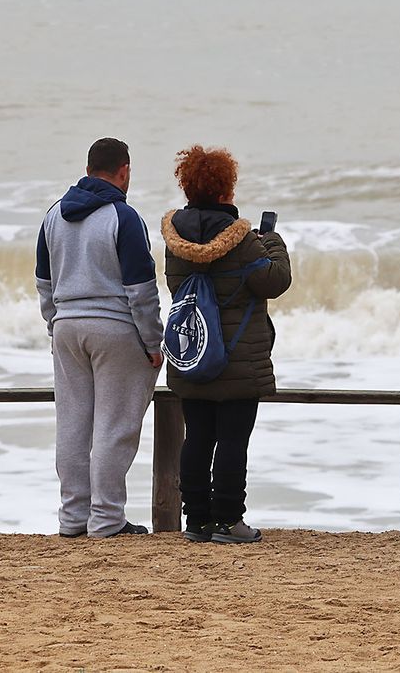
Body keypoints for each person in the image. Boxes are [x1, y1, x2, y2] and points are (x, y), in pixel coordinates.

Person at [161, 145, 291, 544]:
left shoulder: (175, 240)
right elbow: (276, 280)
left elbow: (176, 287)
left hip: (194, 351)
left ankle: (197, 521)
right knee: (233, 439)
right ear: (224, 192)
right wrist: (273, 242)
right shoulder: (244, 242)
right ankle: (229, 521)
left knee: (197, 436)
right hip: (238, 359)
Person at [36, 137, 164, 538]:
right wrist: (152, 342)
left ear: (88, 168)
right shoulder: (122, 217)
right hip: (115, 329)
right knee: (114, 426)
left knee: (72, 424)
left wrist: (55, 326)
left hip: (68, 327)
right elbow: (141, 290)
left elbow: (44, 284)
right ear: (124, 171)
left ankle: (73, 517)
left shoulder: (53, 215)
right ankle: (107, 518)